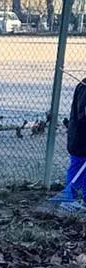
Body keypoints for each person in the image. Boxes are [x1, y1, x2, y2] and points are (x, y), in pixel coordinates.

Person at [53, 76, 86, 211]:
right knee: (78, 165)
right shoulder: (84, 87)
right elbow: (83, 113)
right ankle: (68, 198)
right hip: (80, 138)